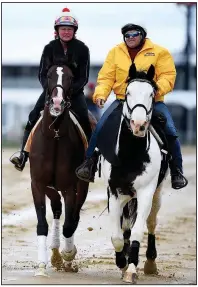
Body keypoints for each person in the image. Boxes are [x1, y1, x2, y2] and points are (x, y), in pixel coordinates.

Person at [76, 23, 187, 190]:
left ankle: (177, 171)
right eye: (127, 35)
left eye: (134, 34)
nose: (131, 38)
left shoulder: (160, 52)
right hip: (122, 100)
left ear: (142, 35)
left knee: (170, 130)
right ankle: (89, 164)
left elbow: (168, 76)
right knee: (100, 126)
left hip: (152, 101)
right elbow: (106, 78)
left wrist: (157, 89)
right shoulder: (115, 52)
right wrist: (100, 95)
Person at [10, 7, 92, 171]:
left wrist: (69, 93)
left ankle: (90, 161)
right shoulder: (49, 48)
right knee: (33, 115)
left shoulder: (83, 49)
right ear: (57, 30)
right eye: (63, 29)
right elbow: (42, 74)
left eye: (69, 29)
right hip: (51, 92)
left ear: (74, 31)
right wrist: (52, 91)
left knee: (85, 118)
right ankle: (22, 155)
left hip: (74, 94)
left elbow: (83, 77)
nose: (66, 32)